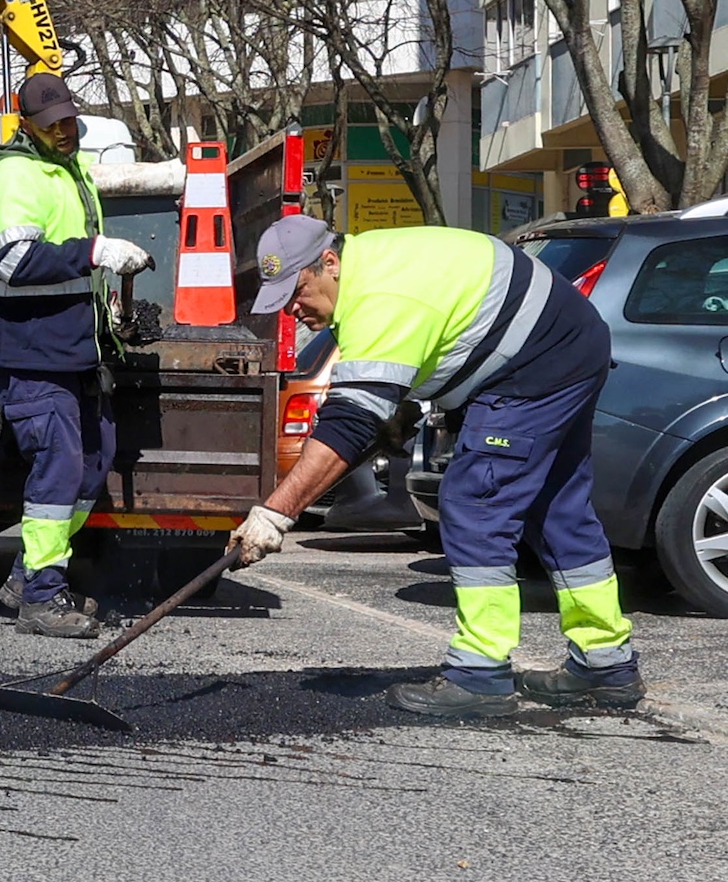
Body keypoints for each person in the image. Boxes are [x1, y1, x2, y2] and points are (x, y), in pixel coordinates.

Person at [230, 215, 639, 718]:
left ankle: (481, 674)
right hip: (569, 346)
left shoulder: (382, 299)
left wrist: (274, 514)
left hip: (535, 366)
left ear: (329, 263)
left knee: (475, 502)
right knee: (559, 511)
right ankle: (606, 663)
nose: (293, 309)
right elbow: (438, 333)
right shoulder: (374, 265)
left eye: (297, 291)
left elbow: (347, 425)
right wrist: (401, 407)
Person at [0, 74, 156, 640]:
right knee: (57, 471)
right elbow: (13, 262)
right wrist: (97, 251)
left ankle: (29, 575)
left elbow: (67, 270)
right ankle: (43, 597)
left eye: (69, 120)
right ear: (25, 123)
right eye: (51, 122)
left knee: (91, 463)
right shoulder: (15, 175)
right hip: (33, 354)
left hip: (71, 351)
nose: (63, 130)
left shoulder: (67, 171)